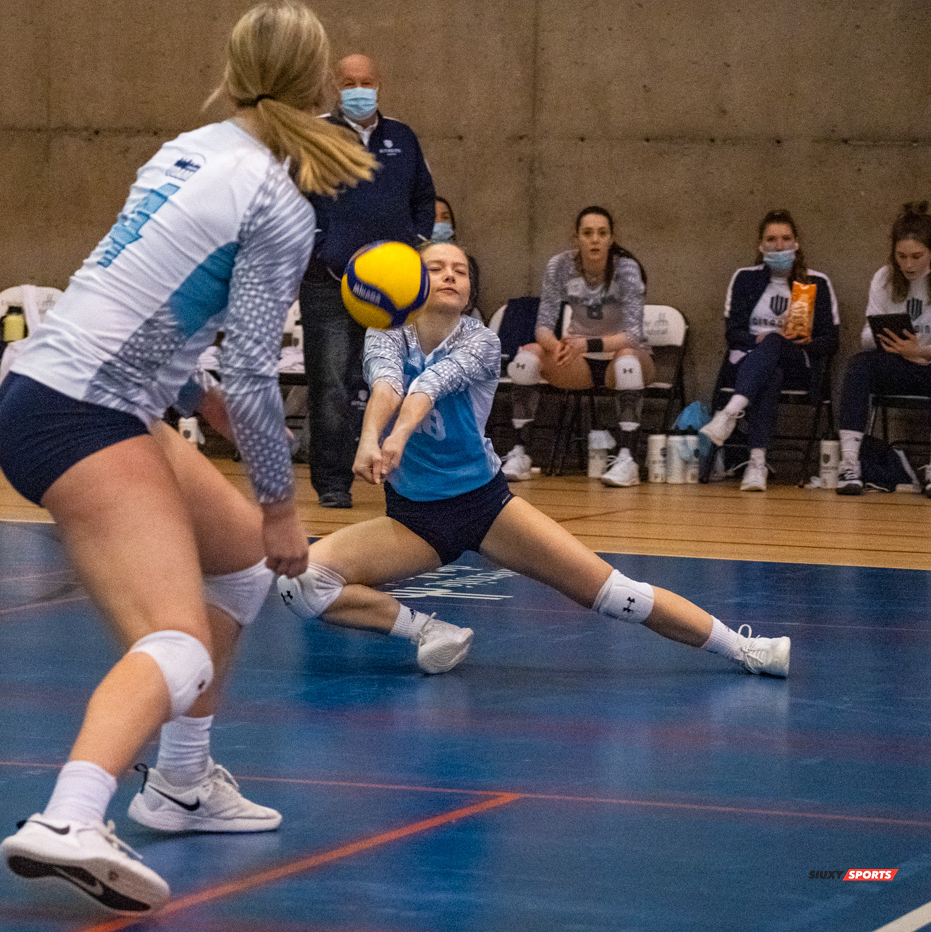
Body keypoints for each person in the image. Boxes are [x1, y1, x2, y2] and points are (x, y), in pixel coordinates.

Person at [0, 1, 376, 915]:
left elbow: (144, 291)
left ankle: (184, 784)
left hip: (61, 386)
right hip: (80, 410)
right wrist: (285, 503)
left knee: (238, 561)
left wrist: (189, 396)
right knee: (178, 643)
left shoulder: (192, 146)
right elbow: (249, 370)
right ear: (320, 83)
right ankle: (70, 816)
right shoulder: (279, 201)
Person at [276, 241, 791, 682]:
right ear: (408, 279)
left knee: (617, 596)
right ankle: (430, 631)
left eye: (461, 270)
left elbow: (426, 390)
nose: (452, 275)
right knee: (301, 583)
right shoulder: (385, 332)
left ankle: (745, 648)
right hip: (413, 518)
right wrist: (370, 439)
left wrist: (396, 437)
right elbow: (388, 383)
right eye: (436, 267)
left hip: (486, 508)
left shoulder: (480, 340)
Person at [299, 51, 435, 509]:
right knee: (331, 385)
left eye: (367, 81)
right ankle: (333, 483)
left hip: (392, 294)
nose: (359, 89)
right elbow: (290, 202)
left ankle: (397, 478)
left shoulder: (403, 137)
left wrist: (413, 241)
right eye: (349, 82)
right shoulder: (314, 135)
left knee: (392, 381)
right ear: (335, 87)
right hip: (328, 284)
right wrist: (322, 247)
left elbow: (424, 199)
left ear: (380, 85)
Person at [501, 206, 651, 487]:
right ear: (576, 238)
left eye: (602, 233)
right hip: (578, 361)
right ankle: (520, 453)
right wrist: (554, 344)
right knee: (527, 358)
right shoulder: (560, 265)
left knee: (627, 361)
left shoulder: (626, 268)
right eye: (588, 233)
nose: (595, 240)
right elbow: (543, 324)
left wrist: (588, 343)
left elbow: (633, 334)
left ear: (611, 238)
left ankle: (627, 459)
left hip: (623, 354)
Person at [698, 209, 838, 491]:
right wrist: (756, 341)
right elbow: (733, 333)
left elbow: (832, 340)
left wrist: (800, 340)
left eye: (786, 238)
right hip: (751, 363)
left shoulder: (815, 282)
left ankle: (729, 413)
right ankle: (756, 463)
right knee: (769, 371)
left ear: (796, 244)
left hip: (798, 364)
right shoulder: (745, 278)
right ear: (761, 246)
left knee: (776, 343)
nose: (779, 245)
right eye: (771, 239)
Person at [834, 203, 931, 495]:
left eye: (917, 256)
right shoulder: (884, 279)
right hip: (899, 362)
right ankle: (850, 463)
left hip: (927, 363)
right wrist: (889, 342)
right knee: (860, 365)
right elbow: (866, 334)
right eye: (902, 256)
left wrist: (921, 351)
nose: (909, 265)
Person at [431, 194, 481, 319]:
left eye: (445, 217)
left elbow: (468, 302)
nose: (439, 222)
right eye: (432, 217)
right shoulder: (410, 262)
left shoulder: (467, 262)